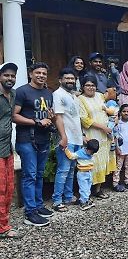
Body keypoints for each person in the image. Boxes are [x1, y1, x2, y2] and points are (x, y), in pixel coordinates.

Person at [13, 62, 55, 227]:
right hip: (26, 139)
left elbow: (48, 115)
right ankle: (29, 213)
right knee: (29, 175)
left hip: (43, 139)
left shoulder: (47, 92)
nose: (41, 76)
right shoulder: (22, 91)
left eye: (44, 73)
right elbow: (14, 116)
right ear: (31, 74)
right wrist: (36, 121)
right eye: (38, 73)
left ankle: (38, 205)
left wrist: (49, 118)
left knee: (38, 174)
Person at [51, 68, 84, 212]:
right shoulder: (57, 95)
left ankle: (68, 196)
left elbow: (75, 118)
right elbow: (57, 117)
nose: (70, 81)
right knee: (63, 170)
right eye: (67, 78)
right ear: (60, 80)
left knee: (71, 170)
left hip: (76, 138)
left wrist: (82, 136)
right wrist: (63, 137)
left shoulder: (73, 96)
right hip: (66, 138)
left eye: (72, 79)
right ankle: (57, 200)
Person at [78, 75, 116, 199]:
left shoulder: (100, 96)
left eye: (93, 85)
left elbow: (108, 108)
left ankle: (98, 189)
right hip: (92, 135)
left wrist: (112, 119)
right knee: (91, 162)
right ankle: (86, 192)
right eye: (87, 85)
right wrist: (103, 127)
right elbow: (84, 119)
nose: (91, 87)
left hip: (105, 136)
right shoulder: (80, 99)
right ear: (83, 87)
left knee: (103, 160)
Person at [0, 62, 19, 238]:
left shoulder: (13, 94)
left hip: (7, 148)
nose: (10, 78)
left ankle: (4, 224)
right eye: (6, 75)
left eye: (12, 76)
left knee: (8, 188)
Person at [64, 139, 99, 210]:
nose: (91, 154)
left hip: (89, 172)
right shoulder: (80, 153)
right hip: (82, 173)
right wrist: (66, 149)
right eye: (91, 152)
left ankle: (86, 199)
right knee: (83, 188)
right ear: (87, 148)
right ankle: (83, 202)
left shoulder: (91, 152)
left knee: (88, 187)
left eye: (93, 153)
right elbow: (71, 156)